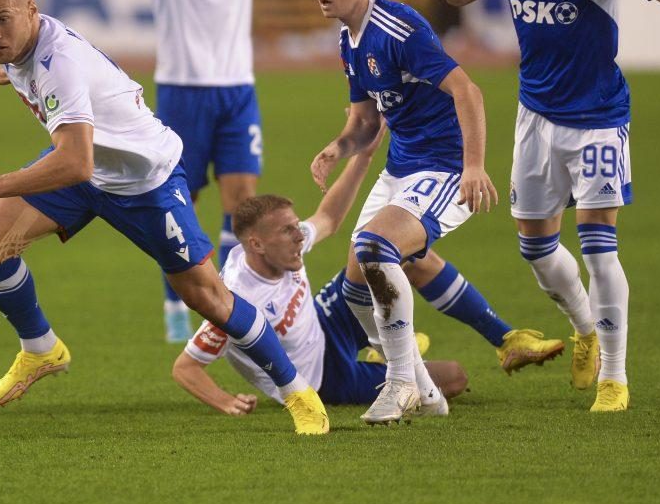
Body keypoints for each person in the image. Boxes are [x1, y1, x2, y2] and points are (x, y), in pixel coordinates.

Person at [0, 0, 330, 435]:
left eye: (2, 20)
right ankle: (41, 349)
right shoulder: (17, 47)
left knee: (209, 298)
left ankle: (298, 392)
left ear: (31, 10)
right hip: (85, 172)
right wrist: (5, 71)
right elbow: (77, 160)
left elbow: (75, 162)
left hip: (146, 182)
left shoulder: (60, 64)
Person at [39, 0, 407, 342]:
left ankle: (240, 299)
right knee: (172, 204)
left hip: (237, 94)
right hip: (182, 92)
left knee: (243, 204)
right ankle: (175, 308)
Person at [393, 0, 660, 412]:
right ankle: (584, 329)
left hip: (599, 120)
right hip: (535, 118)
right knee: (535, 248)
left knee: (600, 247)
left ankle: (615, 376)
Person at [303, 0, 540, 425]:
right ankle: (430, 394)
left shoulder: (399, 28)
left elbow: (468, 92)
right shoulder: (349, 39)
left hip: (444, 167)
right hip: (400, 169)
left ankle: (401, 383)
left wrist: (473, 166)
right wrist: (338, 146)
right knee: (355, 290)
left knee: (374, 249)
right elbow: (366, 121)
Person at [173, 129, 469, 423]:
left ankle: (500, 337)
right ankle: (389, 353)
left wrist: (363, 157)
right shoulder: (236, 300)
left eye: (295, 226)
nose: (298, 236)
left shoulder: (283, 244)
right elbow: (185, 367)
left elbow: (328, 217)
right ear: (257, 245)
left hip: (324, 323)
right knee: (454, 377)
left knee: (387, 256)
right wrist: (227, 402)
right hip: (326, 377)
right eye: (287, 230)